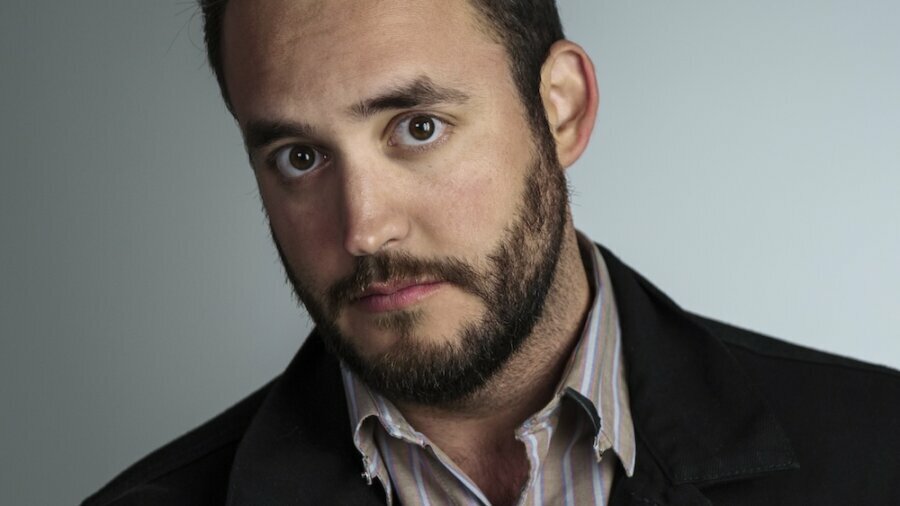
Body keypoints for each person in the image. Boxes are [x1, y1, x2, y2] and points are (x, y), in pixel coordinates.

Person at [82, 0, 900, 504]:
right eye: (300, 156)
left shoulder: (880, 454)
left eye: (418, 128)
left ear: (563, 110)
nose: (364, 230)